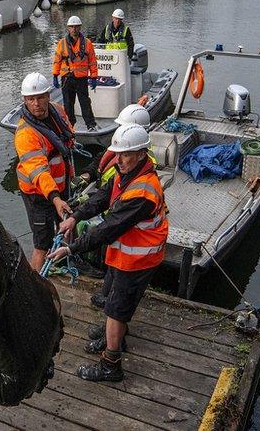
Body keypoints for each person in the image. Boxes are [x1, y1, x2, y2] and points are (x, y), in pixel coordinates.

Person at [48, 124, 168, 382]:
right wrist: (75, 217)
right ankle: (115, 338)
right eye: (117, 154)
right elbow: (101, 198)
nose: (118, 160)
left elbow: (108, 228)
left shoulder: (143, 192)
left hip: (139, 259)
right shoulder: (124, 174)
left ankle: (111, 365)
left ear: (140, 154)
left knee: (116, 309)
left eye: (125, 155)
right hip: (126, 253)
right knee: (113, 299)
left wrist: (71, 248)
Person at [89, 103, 155, 309]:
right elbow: (105, 185)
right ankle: (107, 301)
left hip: (131, 240)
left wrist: (73, 247)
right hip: (119, 231)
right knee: (112, 271)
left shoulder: (140, 175)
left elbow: (119, 215)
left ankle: (112, 329)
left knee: (120, 301)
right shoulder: (123, 160)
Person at [15, 72, 75, 272]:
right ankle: (36, 282)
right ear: (24, 100)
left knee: (66, 226)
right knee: (42, 243)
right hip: (39, 195)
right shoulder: (26, 134)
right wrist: (56, 199)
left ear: (48, 96)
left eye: (40, 97)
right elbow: (39, 171)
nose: (36, 103)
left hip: (62, 186)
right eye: (31, 99)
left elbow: (68, 136)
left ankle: (66, 258)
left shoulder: (58, 111)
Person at [52, 16, 99, 131]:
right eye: (72, 27)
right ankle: (69, 125)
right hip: (67, 78)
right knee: (68, 104)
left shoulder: (87, 43)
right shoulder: (62, 43)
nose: (74, 29)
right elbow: (57, 60)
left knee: (85, 102)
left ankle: (91, 125)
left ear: (80, 27)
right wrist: (55, 75)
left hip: (81, 78)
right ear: (68, 28)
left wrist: (94, 77)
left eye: (76, 26)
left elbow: (92, 61)